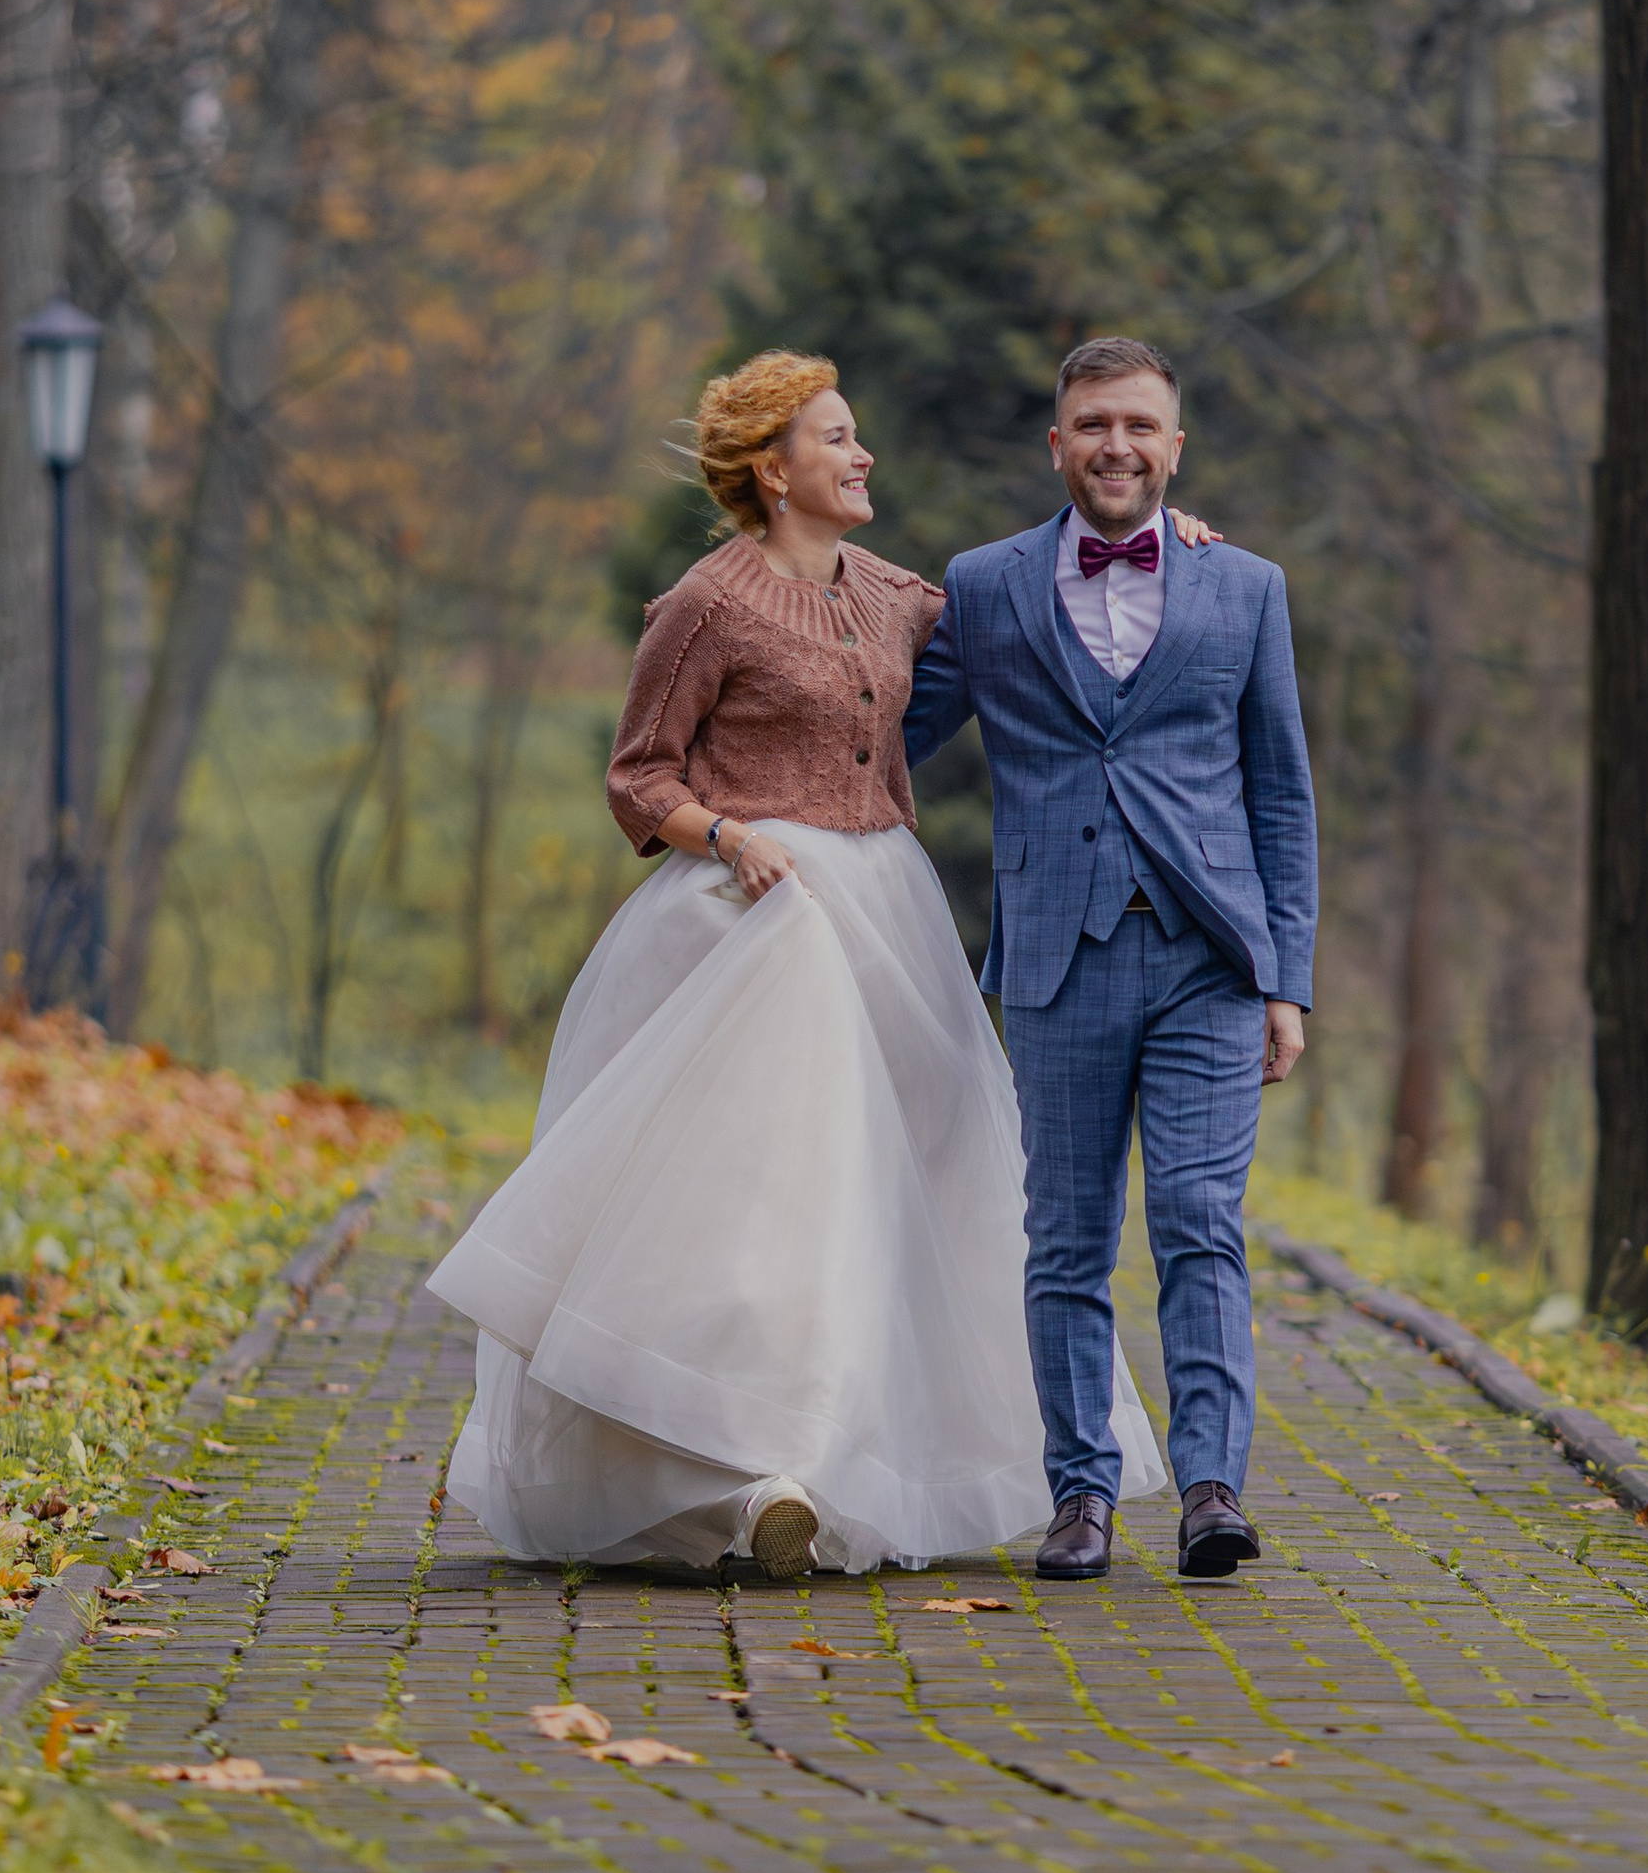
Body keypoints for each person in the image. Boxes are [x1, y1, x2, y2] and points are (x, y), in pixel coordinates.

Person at [426, 350, 1170, 1576]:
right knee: (763, 1204)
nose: (861, 454)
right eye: (836, 438)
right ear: (773, 471)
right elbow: (637, 775)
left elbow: (1043, 585)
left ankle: (840, 1459)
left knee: (894, 1195)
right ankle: (761, 1475)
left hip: (888, 912)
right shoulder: (703, 605)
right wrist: (727, 835)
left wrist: (1162, 526)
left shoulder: (893, 592)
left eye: (856, 433)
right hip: (751, 925)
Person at [901, 336, 1317, 1583]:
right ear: (1058, 442)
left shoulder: (1244, 587)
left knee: (1199, 1220)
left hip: (1210, 955)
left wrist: (1287, 975)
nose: (1117, 446)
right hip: (1057, 961)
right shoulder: (981, 587)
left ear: (1173, 447)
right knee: (1067, 1237)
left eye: (1140, 425)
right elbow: (881, 730)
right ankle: (1078, 1491)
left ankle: (1208, 1490)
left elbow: (1282, 794)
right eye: (1093, 425)